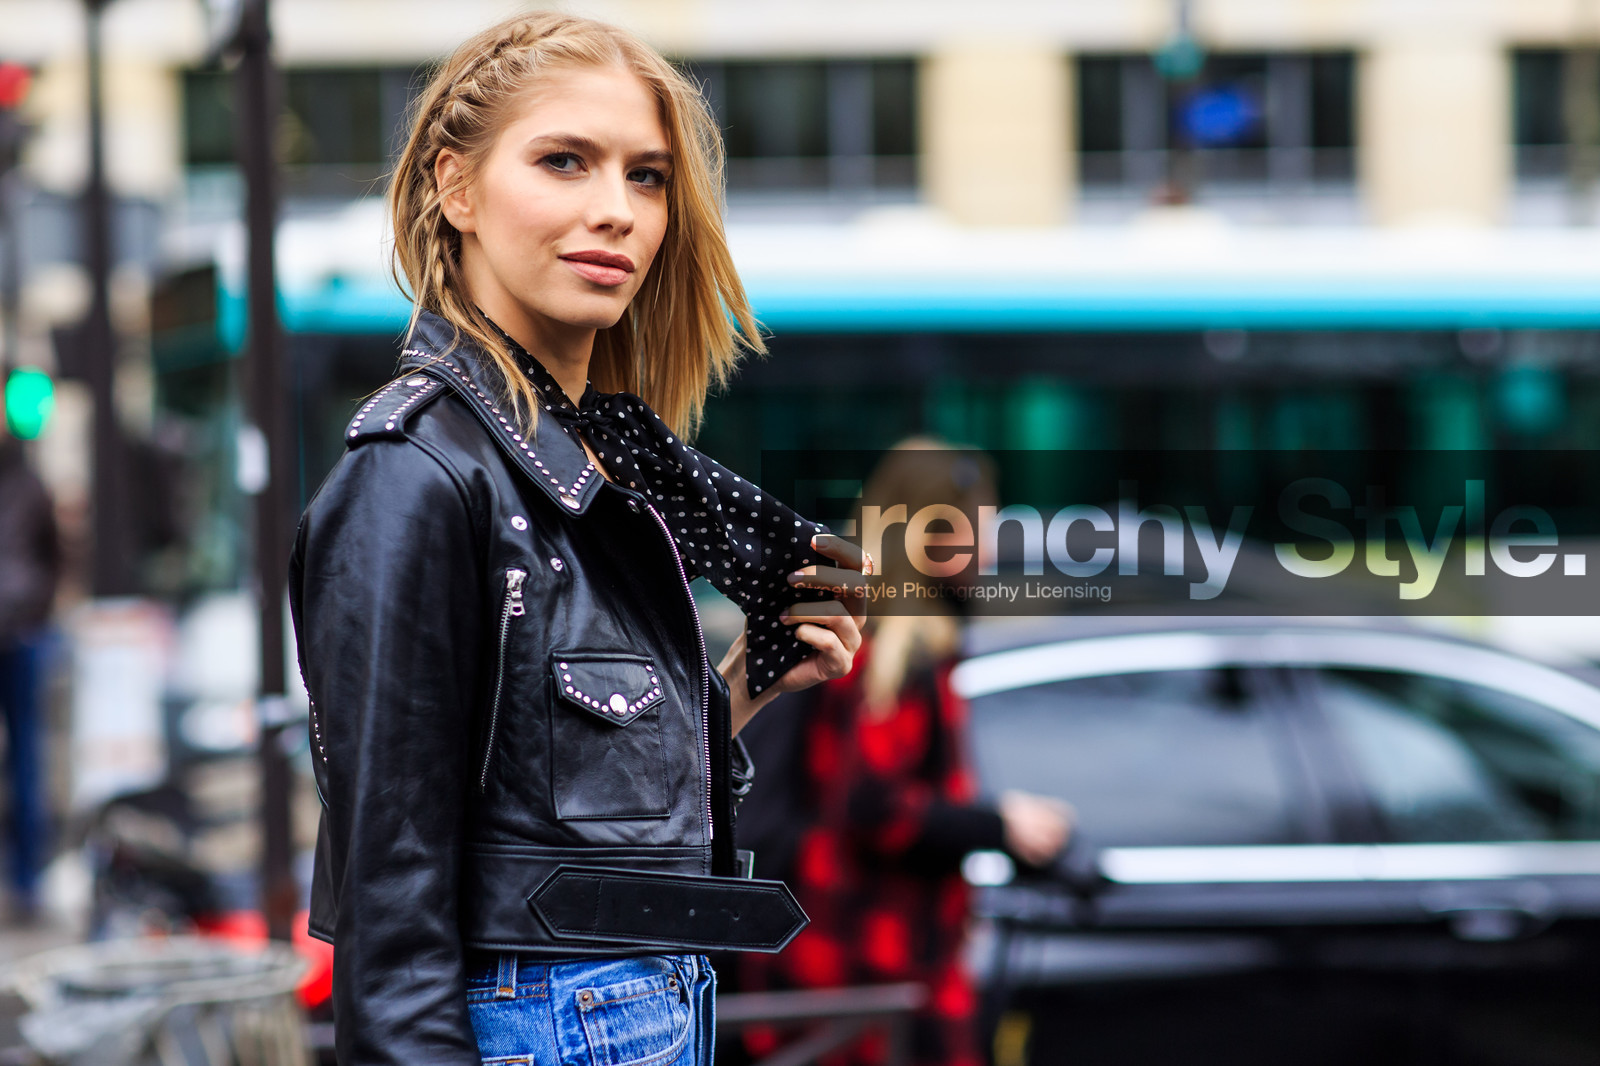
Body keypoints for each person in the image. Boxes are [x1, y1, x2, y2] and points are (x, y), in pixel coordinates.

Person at [288, 13, 866, 1066]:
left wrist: (736, 691)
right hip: (537, 1019)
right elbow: (392, 897)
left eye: (647, 177)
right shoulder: (415, 471)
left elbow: (552, 803)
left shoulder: (593, 462)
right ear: (456, 188)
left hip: (633, 997)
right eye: (564, 161)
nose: (616, 209)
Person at [737, 442, 1072, 1066]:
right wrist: (999, 825)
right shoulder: (902, 648)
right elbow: (876, 807)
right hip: (874, 963)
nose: (990, 550)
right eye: (982, 529)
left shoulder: (853, 627)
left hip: (835, 954)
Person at [0, 434, 60, 921]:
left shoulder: (27, 481)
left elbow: (53, 554)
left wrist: (33, 612)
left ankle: (26, 883)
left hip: (18, 634)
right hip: (20, 625)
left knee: (25, 760)